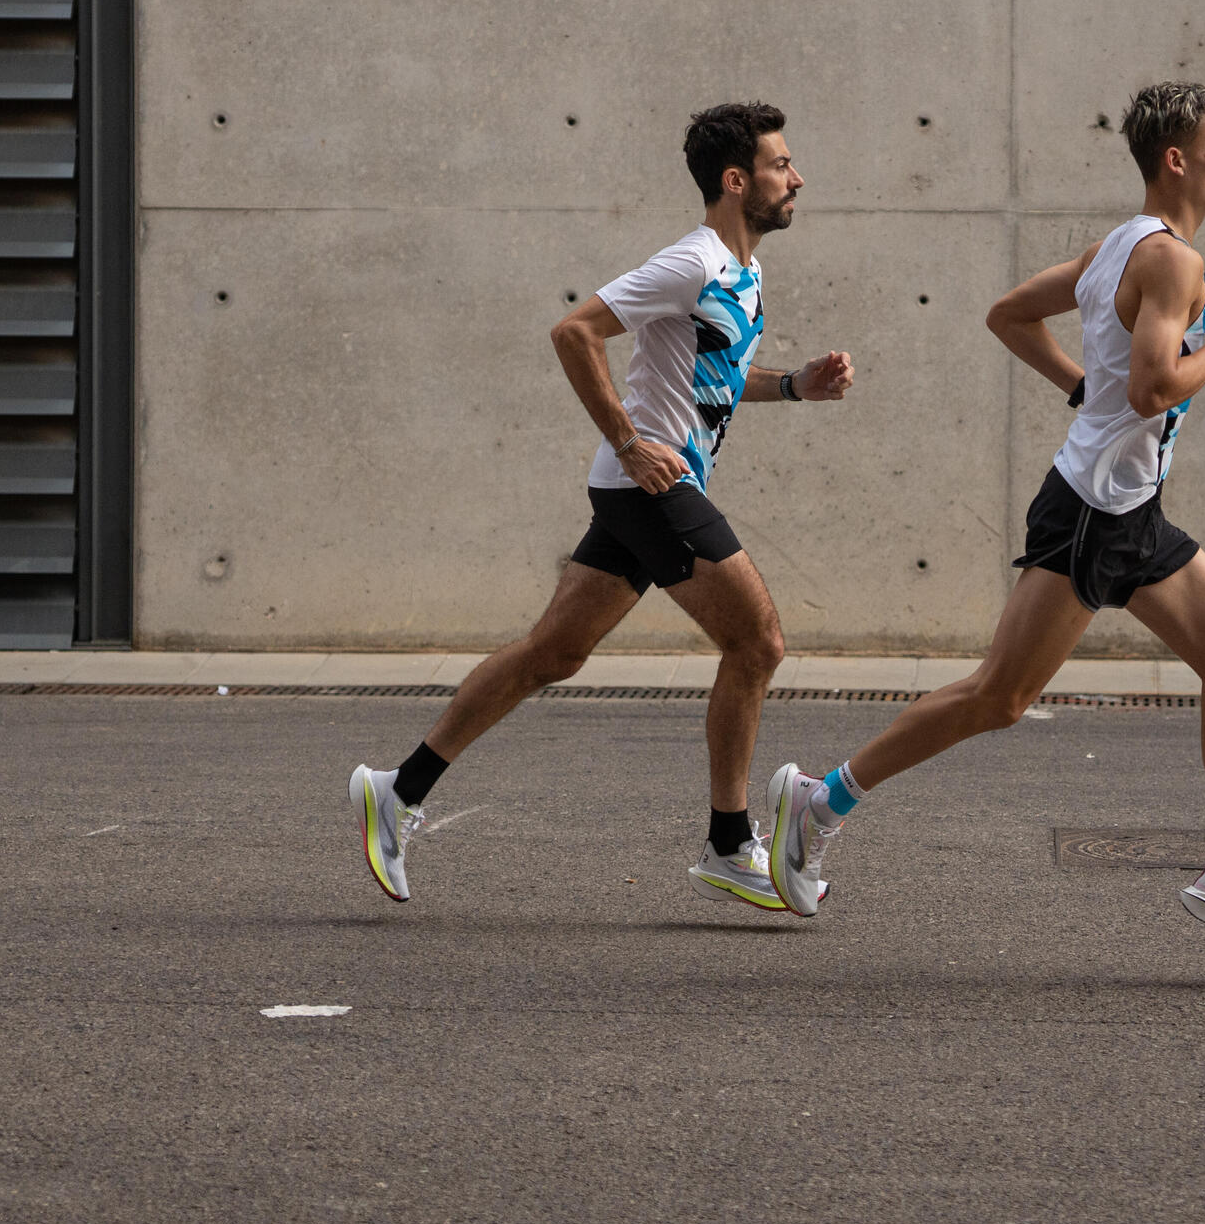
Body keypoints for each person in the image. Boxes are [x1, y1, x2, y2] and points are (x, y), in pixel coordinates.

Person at [764, 80, 1205, 947]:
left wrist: (1082, 388)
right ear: (1177, 160)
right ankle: (818, 801)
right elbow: (1151, 391)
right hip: (1093, 511)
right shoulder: (1172, 262)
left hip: (1132, 509)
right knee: (998, 697)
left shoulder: (1120, 245)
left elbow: (1011, 316)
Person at [350, 102, 855, 908]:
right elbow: (574, 332)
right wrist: (628, 441)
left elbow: (716, 379)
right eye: (781, 165)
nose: (797, 178)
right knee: (757, 643)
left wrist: (795, 386)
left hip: (645, 489)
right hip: (652, 488)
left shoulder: (745, 271)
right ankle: (730, 844)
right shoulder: (691, 261)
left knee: (553, 654)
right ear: (736, 181)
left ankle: (397, 788)